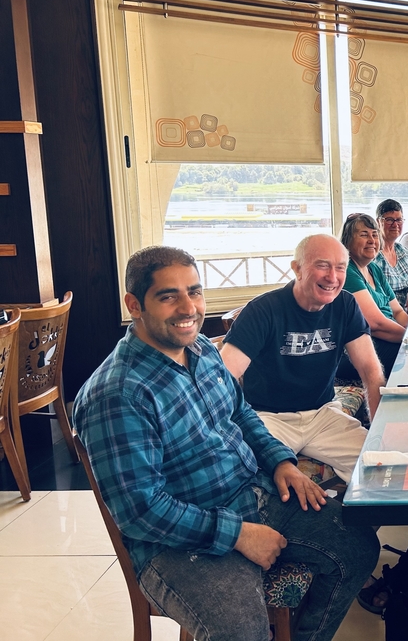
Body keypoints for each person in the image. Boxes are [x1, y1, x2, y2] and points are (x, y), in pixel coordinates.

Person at [73, 246, 380, 641]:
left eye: (194, 292)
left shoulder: (200, 349)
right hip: (180, 542)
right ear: (134, 305)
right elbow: (141, 511)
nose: (188, 308)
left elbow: (241, 413)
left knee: (357, 547)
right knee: (242, 631)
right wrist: (238, 535)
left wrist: (280, 462)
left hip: (252, 495)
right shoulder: (117, 394)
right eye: (168, 296)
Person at [220, 234, 385, 482]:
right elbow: (223, 379)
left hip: (323, 414)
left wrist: (380, 432)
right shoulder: (263, 310)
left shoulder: (345, 304)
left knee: (381, 465)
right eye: (322, 265)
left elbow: (370, 370)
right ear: (297, 268)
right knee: (243, 478)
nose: (333, 277)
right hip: (269, 418)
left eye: (340, 267)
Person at [338, 213, 408, 379]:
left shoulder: (373, 268)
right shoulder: (347, 272)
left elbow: (398, 312)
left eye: (375, 235)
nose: (372, 240)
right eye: (364, 235)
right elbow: (375, 325)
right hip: (358, 348)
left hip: (384, 339)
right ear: (347, 241)